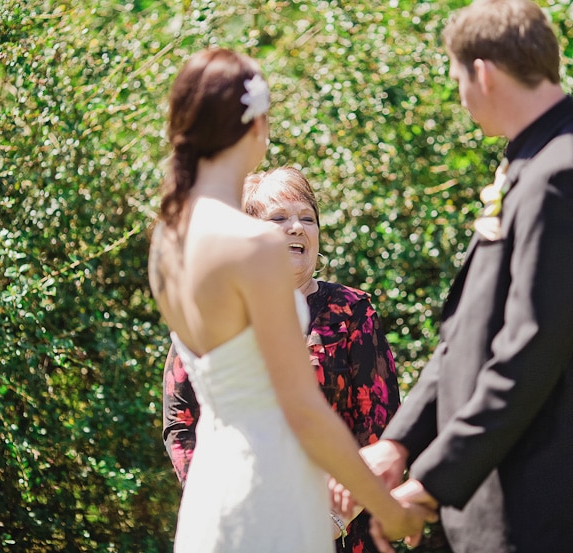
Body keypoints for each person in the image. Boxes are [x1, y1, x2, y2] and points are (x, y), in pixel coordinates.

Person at [359, 1, 573, 552]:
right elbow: (470, 331)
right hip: (508, 500)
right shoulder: (534, 163)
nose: (460, 95)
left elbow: (529, 351)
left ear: (482, 72)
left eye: (458, 78)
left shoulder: (566, 175)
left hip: (546, 507)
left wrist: (430, 486)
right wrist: (400, 443)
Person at [148, 47, 434, 553]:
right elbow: (303, 411)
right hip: (272, 496)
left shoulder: (169, 239)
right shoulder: (252, 245)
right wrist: (388, 509)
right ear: (253, 124)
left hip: (213, 494)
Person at [162, 166, 402, 553]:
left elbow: (379, 423)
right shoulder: (216, 311)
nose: (296, 227)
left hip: (337, 531)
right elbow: (181, 420)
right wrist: (221, 506)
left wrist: (335, 518)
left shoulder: (351, 310)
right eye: (279, 218)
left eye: (307, 218)